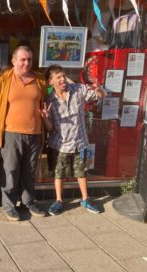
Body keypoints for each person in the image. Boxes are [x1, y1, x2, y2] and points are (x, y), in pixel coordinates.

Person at [0, 45, 47, 221]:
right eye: (22, 59)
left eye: (29, 59)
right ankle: (8, 206)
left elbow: (46, 101)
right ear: (13, 61)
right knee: (11, 170)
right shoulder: (3, 80)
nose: (26, 63)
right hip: (11, 133)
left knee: (29, 171)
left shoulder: (40, 80)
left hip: (34, 133)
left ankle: (28, 202)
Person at [43, 64, 104, 216]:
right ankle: (58, 201)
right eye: (58, 77)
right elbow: (50, 128)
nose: (63, 79)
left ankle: (85, 199)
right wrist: (45, 118)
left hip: (79, 141)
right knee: (59, 174)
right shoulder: (49, 100)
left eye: (63, 75)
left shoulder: (78, 90)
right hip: (60, 144)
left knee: (81, 172)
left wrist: (98, 89)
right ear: (51, 81)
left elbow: (101, 95)